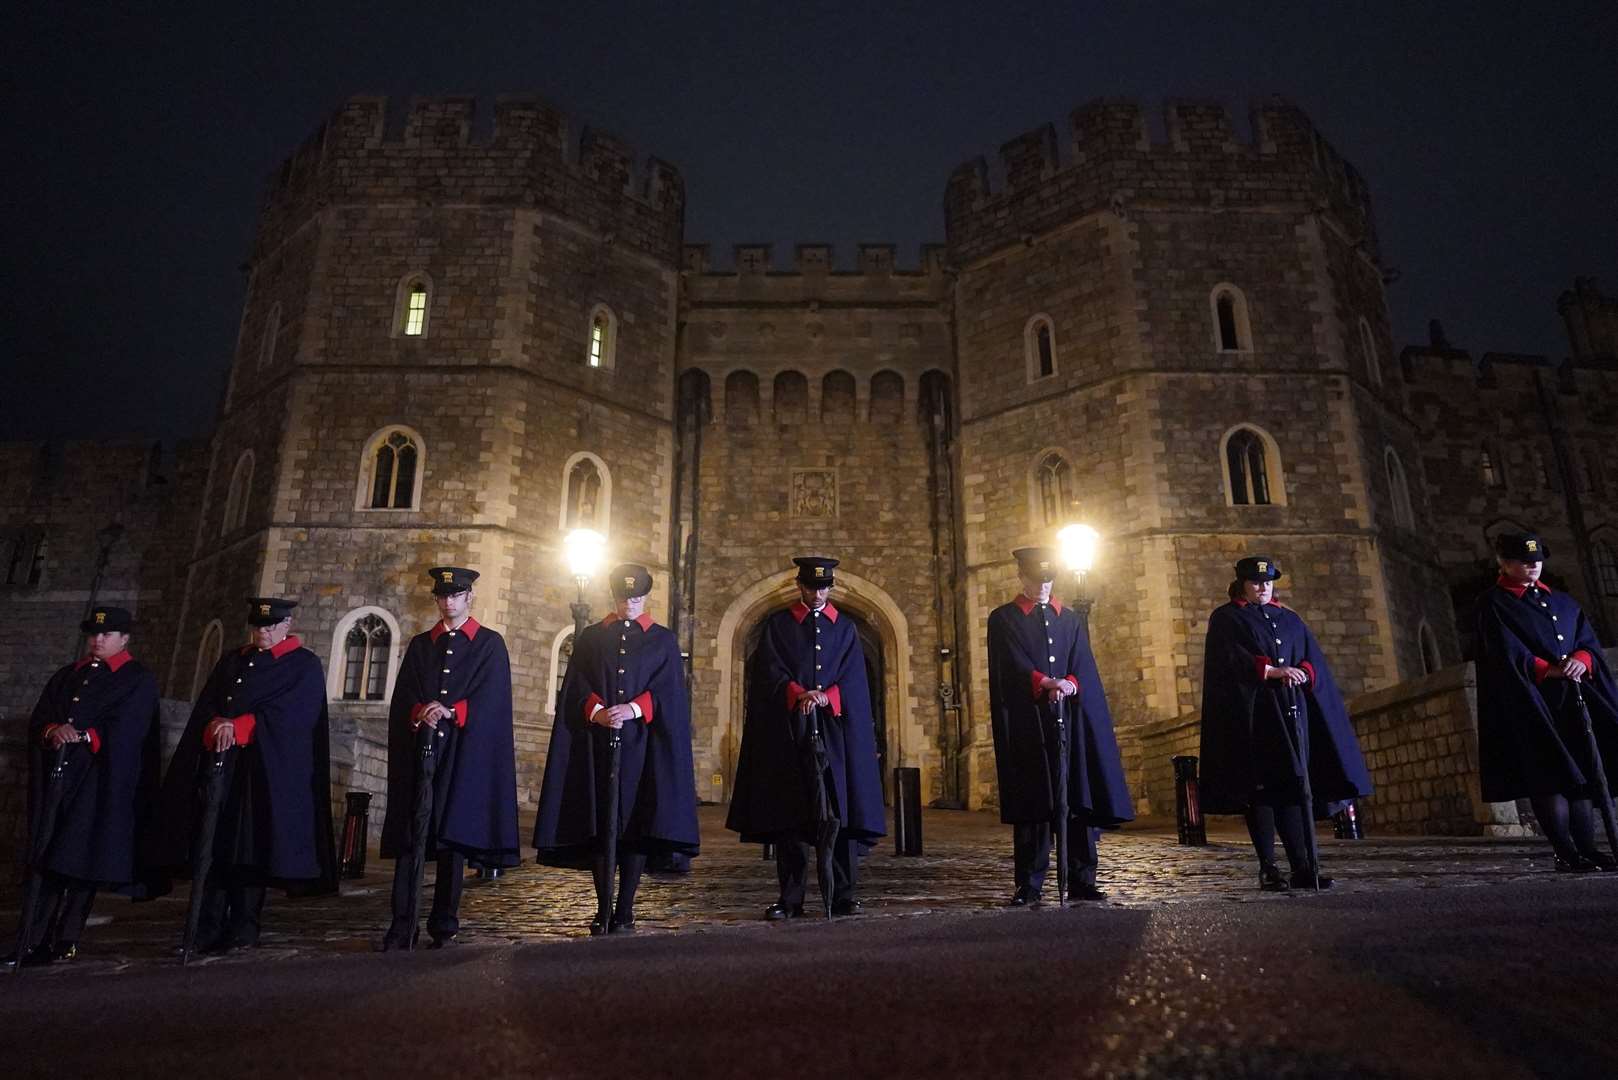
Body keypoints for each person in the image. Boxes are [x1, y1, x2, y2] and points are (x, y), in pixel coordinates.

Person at [153, 597, 336, 952]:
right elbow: (209, 703)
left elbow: (295, 716)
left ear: (287, 626)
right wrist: (213, 726)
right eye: (258, 627)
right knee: (213, 844)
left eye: (270, 627)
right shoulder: (234, 660)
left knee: (249, 849)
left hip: (263, 770)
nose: (263, 633)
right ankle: (204, 927)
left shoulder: (302, 665)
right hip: (223, 766)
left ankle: (243, 925)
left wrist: (242, 726)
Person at [533, 564, 700, 934]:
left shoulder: (662, 639)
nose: (631, 605)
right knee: (600, 822)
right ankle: (602, 906)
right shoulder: (592, 637)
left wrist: (635, 708)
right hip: (598, 743)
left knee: (635, 824)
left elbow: (669, 689)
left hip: (643, 746)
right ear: (615, 598)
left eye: (637, 598)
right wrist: (597, 711)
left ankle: (625, 909)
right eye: (625, 599)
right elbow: (576, 684)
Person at [725, 556, 886, 919]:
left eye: (824, 587)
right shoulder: (779, 625)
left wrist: (827, 697)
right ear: (800, 586)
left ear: (831, 587)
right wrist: (797, 692)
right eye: (812, 587)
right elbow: (769, 670)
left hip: (835, 732)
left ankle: (844, 894)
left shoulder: (845, 628)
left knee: (840, 813)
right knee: (792, 816)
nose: (818, 593)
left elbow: (853, 678)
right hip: (791, 729)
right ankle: (791, 897)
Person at [1199, 557, 1372, 891]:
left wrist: (1305, 671)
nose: (1262, 588)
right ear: (1242, 584)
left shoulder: (1289, 618)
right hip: (1256, 716)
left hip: (1293, 715)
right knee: (1262, 791)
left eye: (1267, 582)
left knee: (1295, 790)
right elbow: (1229, 658)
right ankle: (1268, 868)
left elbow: (1310, 656)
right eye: (1255, 582)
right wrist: (1269, 671)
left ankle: (1303, 866)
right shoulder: (1227, 618)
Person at [5, 607, 162, 967]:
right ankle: (31, 937)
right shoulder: (68, 676)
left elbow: (131, 729)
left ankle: (66, 937)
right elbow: (42, 717)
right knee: (46, 855)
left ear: (124, 638)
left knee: (79, 859)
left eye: (106, 634)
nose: (98, 639)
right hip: (58, 779)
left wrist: (88, 736)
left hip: (97, 780)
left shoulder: (135, 678)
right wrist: (50, 731)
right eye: (94, 634)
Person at [382, 567, 520, 949]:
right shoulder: (421, 645)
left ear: (469, 597)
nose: (448, 602)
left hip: (463, 753)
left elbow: (492, 699)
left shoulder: (489, 644)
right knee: (413, 838)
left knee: (451, 842)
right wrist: (420, 710)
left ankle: (444, 921)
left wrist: (453, 710)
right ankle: (401, 923)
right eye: (443, 596)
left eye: (456, 595)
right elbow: (404, 696)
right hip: (421, 753)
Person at [987, 548, 1134, 905]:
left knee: (1077, 797)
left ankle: (1083, 877)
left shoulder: (1068, 619)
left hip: (1069, 719)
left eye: (1048, 580)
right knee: (1034, 801)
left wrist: (1070, 682)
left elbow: (1081, 660)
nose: (1042, 586)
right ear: (1022, 577)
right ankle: (1030, 883)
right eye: (1036, 579)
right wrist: (1041, 681)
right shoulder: (1004, 618)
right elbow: (1010, 660)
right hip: (1030, 720)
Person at [1475, 532, 1618, 871]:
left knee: (1582, 775)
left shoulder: (1563, 602)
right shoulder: (1494, 603)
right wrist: (1549, 670)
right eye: (1524, 561)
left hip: (1573, 699)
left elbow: (1586, 640)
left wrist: (1581, 659)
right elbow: (1503, 651)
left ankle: (1588, 848)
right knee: (1551, 776)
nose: (1533, 566)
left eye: (1537, 560)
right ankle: (1565, 852)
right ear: (1504, 564)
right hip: (1531, 702)